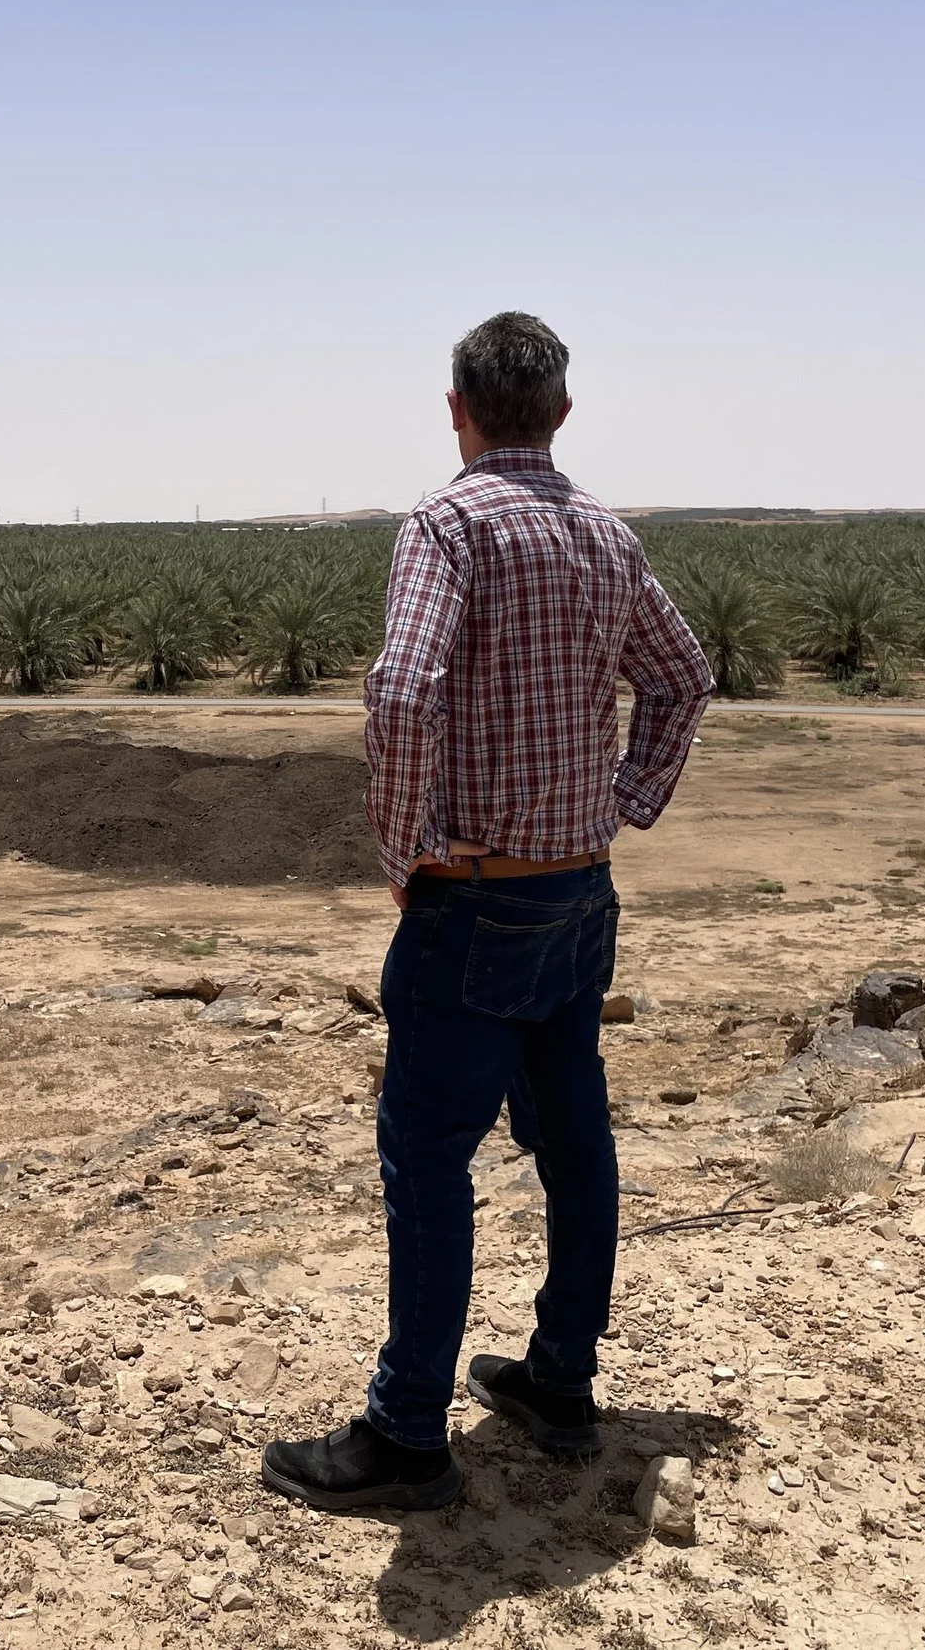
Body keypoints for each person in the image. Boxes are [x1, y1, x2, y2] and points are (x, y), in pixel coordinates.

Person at [261, 311, 714, 1511]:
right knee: (575, 1143)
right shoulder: (607, 539)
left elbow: (403, 687)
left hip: (473, 900)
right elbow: (685, 675)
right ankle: (559, 1380)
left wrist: (401, 846)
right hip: (578, 895)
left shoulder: (448, 525)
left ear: (455, 409)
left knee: (427, 1161)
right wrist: (622, 799)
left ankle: (408, 1433)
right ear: (561, 413)